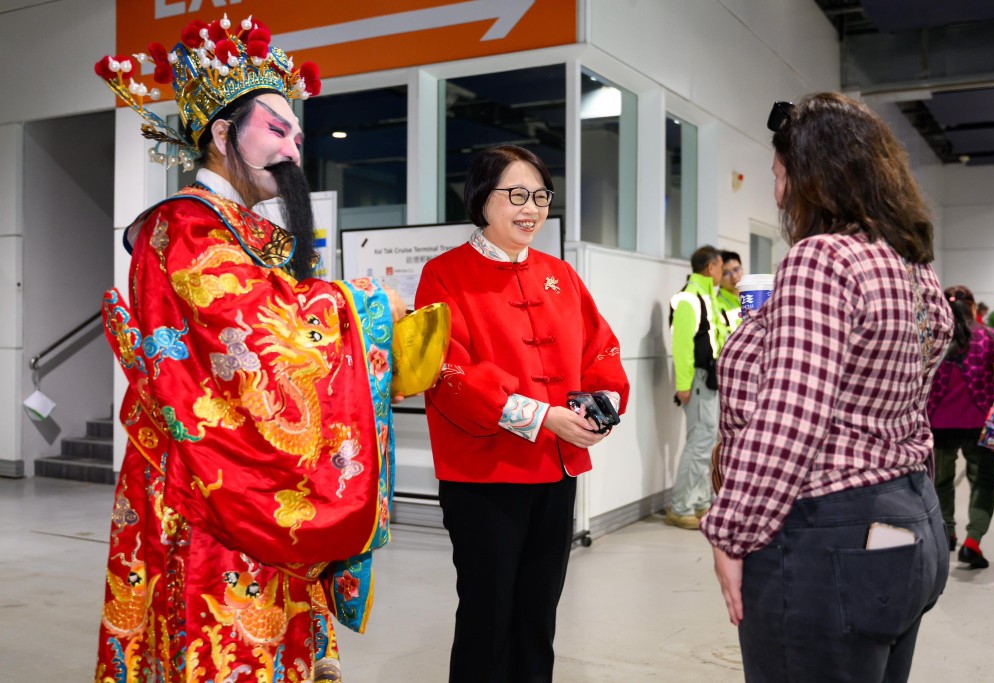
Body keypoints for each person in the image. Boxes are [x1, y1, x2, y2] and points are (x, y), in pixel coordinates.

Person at [93, 15, 408, 681]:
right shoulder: (186, 229)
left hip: (235, 478)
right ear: (220, 133)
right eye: (277, 127)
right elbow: (264, 334)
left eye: (298, 131)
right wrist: (367, 310)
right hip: (205, 494)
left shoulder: (232, 233)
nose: (295, 146)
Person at [702, 93, 954, 683]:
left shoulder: (822, 260)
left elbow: (792, 417)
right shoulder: (913, 266)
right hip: (911, 517)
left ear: (816, 176)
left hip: (829, 533)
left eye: (780, 174)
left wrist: (730, 530)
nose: (777, 191)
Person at [415, 145, 629, 682]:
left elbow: (601, 350)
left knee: (539, 612)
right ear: (482, 201)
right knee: (488, 614)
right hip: (483, 476)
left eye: (539, 196)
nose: (529, 208)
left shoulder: (561, 275)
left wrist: (601, 410)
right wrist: (541, 416)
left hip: (556, 471)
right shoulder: (443, 276)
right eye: (515, 195)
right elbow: (446, 373)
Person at [927, 285, 994, 568]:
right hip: (980, 425)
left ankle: (945, 531)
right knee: (984, 482)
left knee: (940, 481)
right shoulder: (989, 336)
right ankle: (973, 541)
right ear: (974, 307)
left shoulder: (931, 336)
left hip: (937, 424)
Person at [666, 245, 727, 529]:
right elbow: (682, 346)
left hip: (708, 381)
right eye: (719, 267)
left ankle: (701, 501)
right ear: (709, 267)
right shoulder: (690, 298)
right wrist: (684, 384)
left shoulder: (705, 296)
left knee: (705, 443)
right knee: (699, 444)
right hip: (698, 382)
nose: (722, 272)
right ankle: (680, 506)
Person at [718, 250, 744, 332]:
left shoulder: (751, 298)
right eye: (726, 273)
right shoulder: (716, 305)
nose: (734, 276)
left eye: (736, 269)